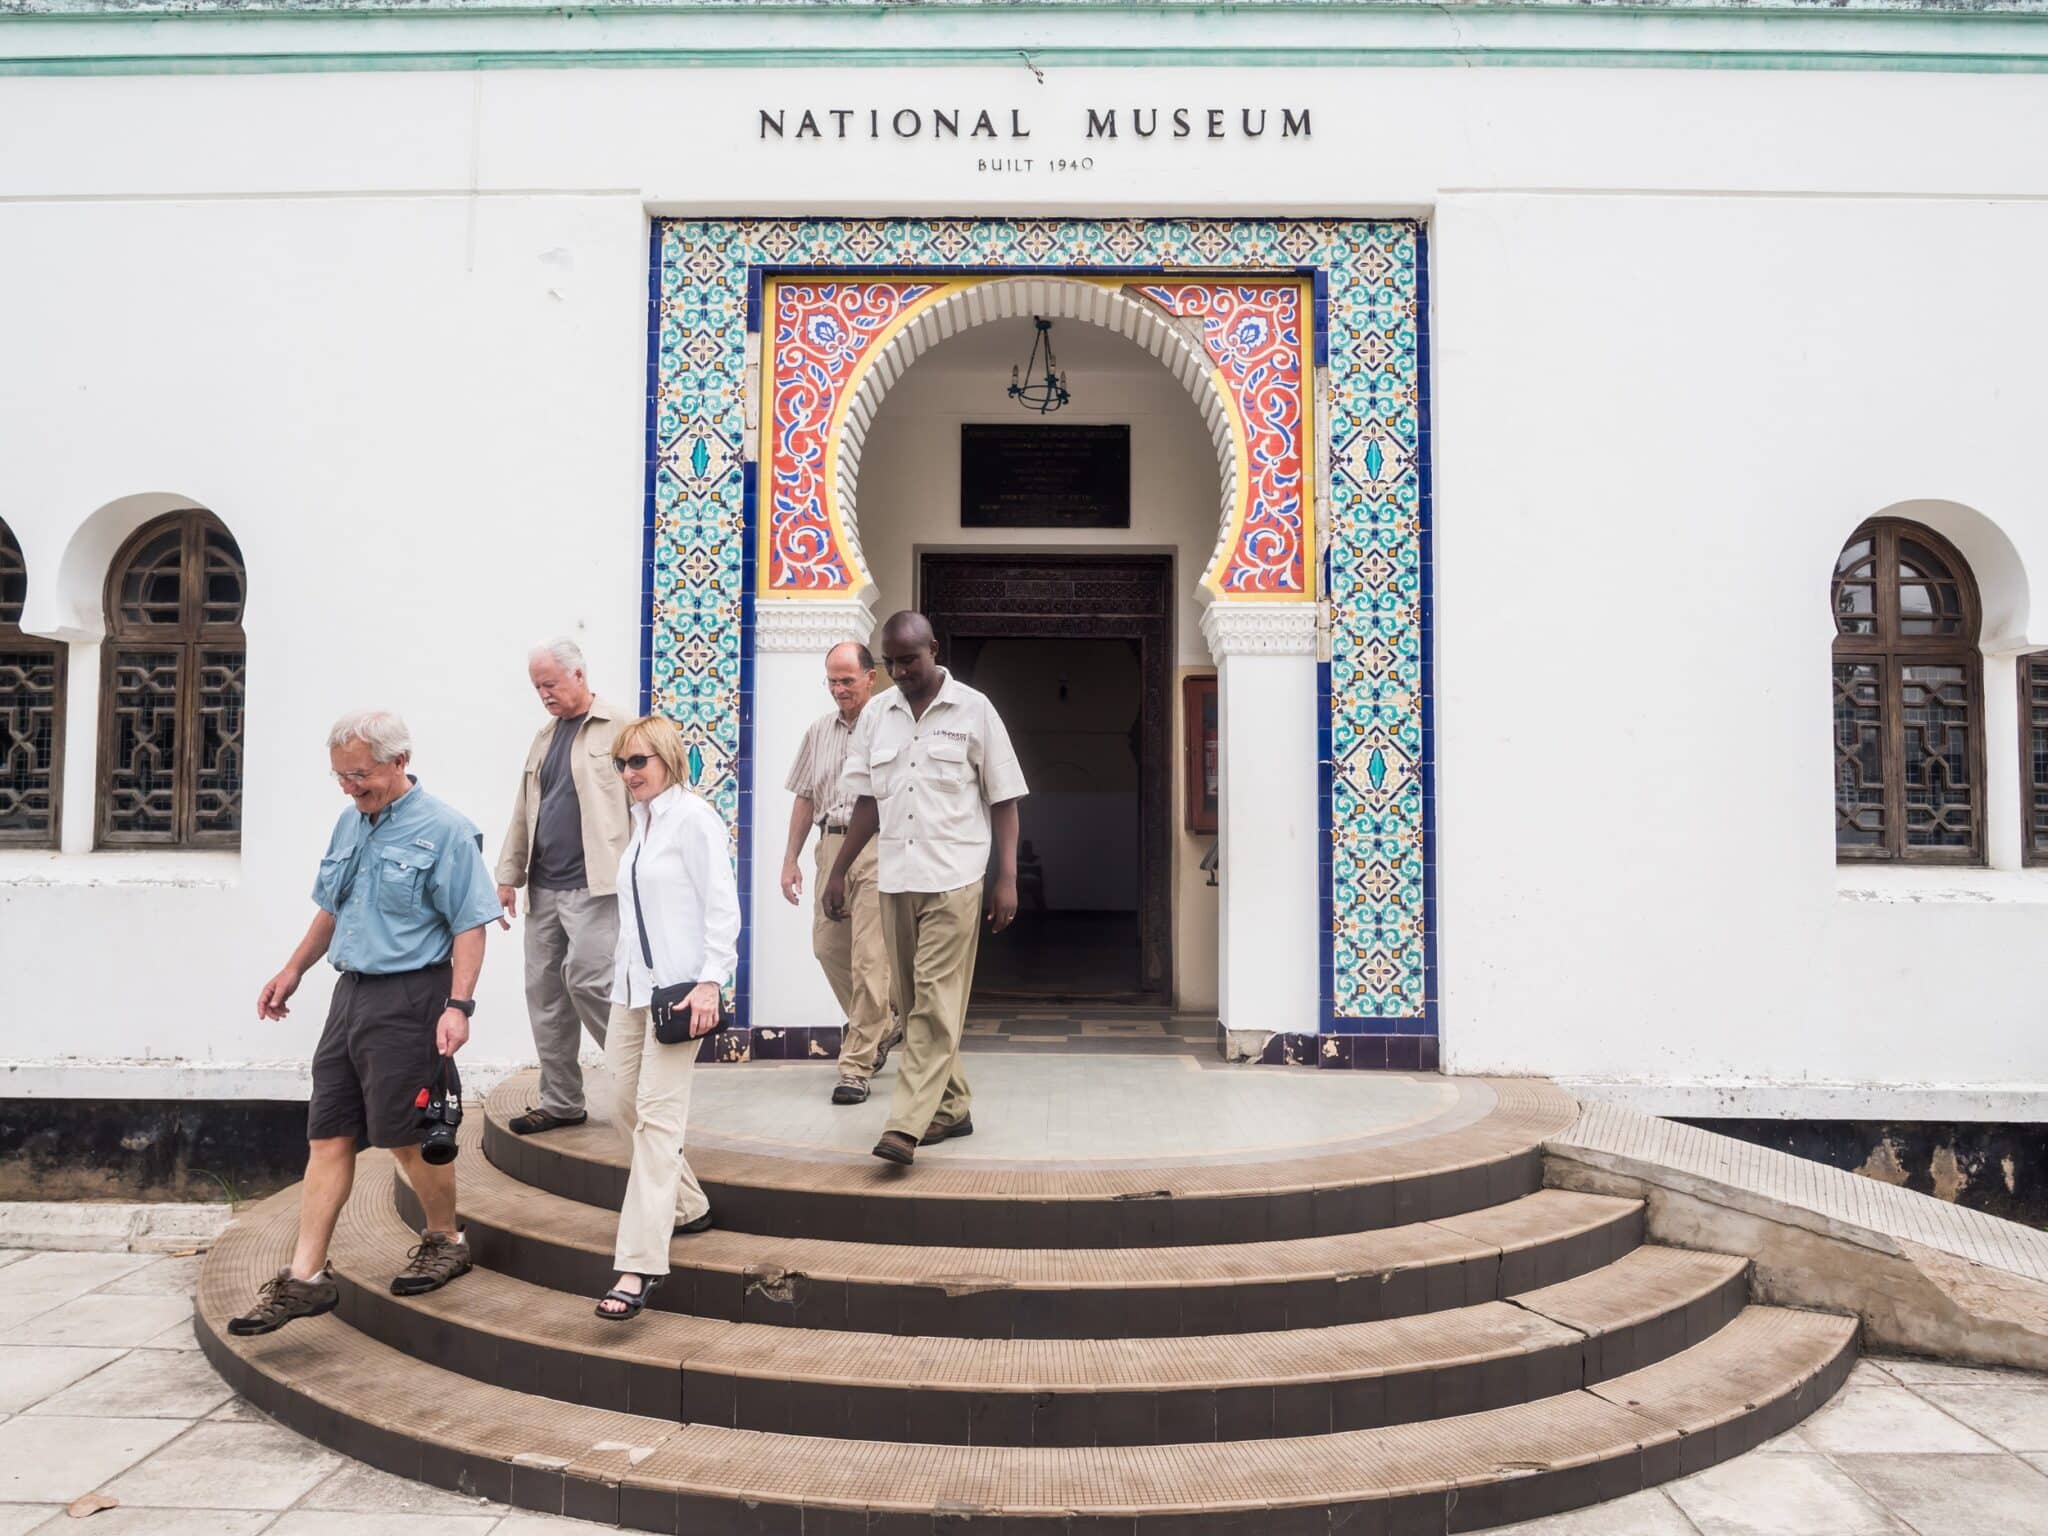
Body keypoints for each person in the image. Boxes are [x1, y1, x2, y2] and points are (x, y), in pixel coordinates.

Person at [230, 710, 502, 1335]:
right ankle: (305, 1277)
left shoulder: (447, 831)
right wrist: (293, 969)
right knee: (328, 1133)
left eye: (360, 775)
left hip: (412, 996)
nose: (350, 788)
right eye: (340, 777)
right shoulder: (349, 822)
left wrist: (458, 1006)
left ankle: (445, 1238)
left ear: (399, 761)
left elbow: (471, 924)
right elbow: (332, 908)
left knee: (407, 1134)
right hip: (349, 996)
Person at [825, 611, 1027, 1168]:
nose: (900, 672)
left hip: (955, 878)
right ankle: (953, 1106)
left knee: (935, 1002)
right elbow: (868, 801)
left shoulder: (974, 710)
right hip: (896, 877)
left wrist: (1007, 878)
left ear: (933, 648)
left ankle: (905, 1125)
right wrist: (839, 870)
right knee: (915, 1003)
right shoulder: (878, 716)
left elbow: (1004, 798)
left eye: (909, 660)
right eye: (890, 663)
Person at [595, 714, 740, 1320]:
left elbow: (722, 906)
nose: (629, 773)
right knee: (620, 1103)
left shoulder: (693, 819)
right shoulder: (641, 824)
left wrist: (711, 981)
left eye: (639, 761)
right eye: (621, 763)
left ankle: (639, 1264)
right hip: (632, 990)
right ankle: (688, 1205)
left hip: (681, 995)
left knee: (657, 1120)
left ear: (668, 759)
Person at [493, 639, 632, 1135]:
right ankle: (561, 1102)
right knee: (546, 995)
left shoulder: (620, 727)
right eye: (537, 687)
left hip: (597, 885)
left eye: (550, 683)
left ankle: (641, 1079)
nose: (543, 694)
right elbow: (524, 807)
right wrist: (508, 874)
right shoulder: (545, 737)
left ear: (578, 674)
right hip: (544, 887)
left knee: (590, 980)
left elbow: (649, 801)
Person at [780, 640, 901, 1105]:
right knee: (827, 947)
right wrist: (790, 859)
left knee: (871, 959)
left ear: (871, 677)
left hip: (879, 846)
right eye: (831, 681)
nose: (838, 689)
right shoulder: (818, 731)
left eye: (847, 680)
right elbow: (805, 795)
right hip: (830, 845)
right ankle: (883, 1024)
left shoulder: (894, 726)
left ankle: (856, 1066)